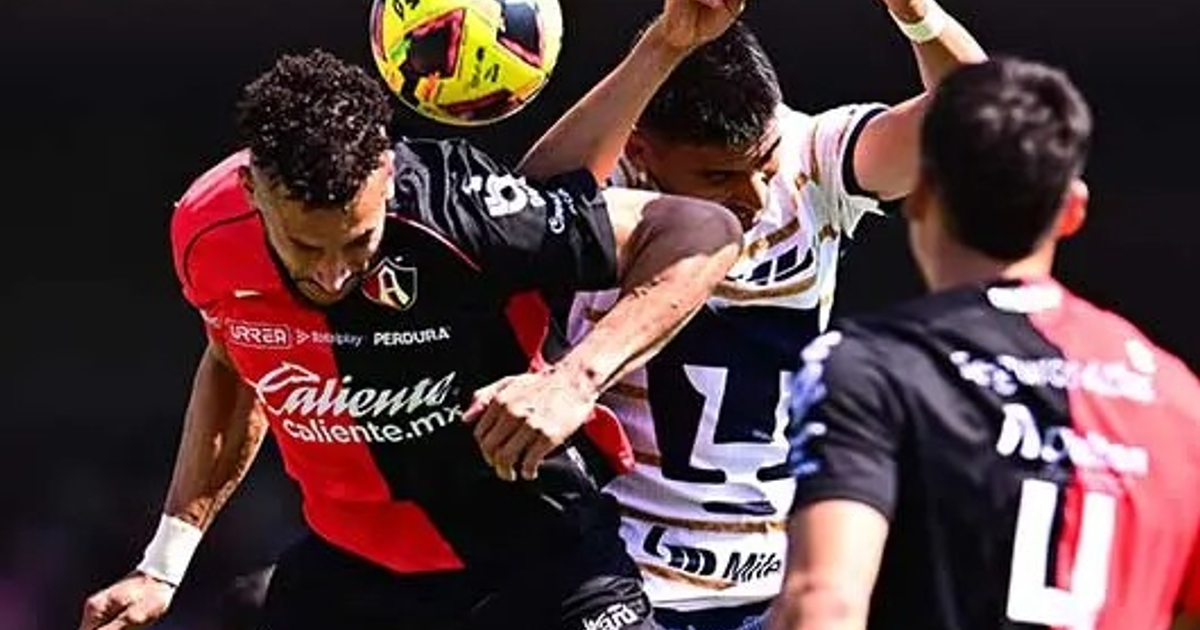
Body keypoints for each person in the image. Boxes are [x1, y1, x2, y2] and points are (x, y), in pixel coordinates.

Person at [77, 42, 743, 630]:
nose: (334, 272)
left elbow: (702, 230)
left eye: (358, 241)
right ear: (252, 192)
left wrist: (576, 378)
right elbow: (234, 361)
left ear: (389, 177)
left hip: (539, 560)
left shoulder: (456, 207)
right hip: (355, 575)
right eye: (306, 246)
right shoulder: (204, 234)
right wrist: (162, 565)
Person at [519, 0, 986, 627]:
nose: (754, 195)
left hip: (771, 586)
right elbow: (517, 215)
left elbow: (976, 124)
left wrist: (918, 13)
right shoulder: (606, 183)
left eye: (763, 164)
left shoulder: (812, 159)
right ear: (644, 151)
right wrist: (664, 45)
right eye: (718, 178)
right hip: (622, 581)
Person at [771, 56, 1200, 630]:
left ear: (919, 195)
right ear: (1072, 211)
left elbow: (825, 602)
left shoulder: (869, 365)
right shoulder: (1175, 395)